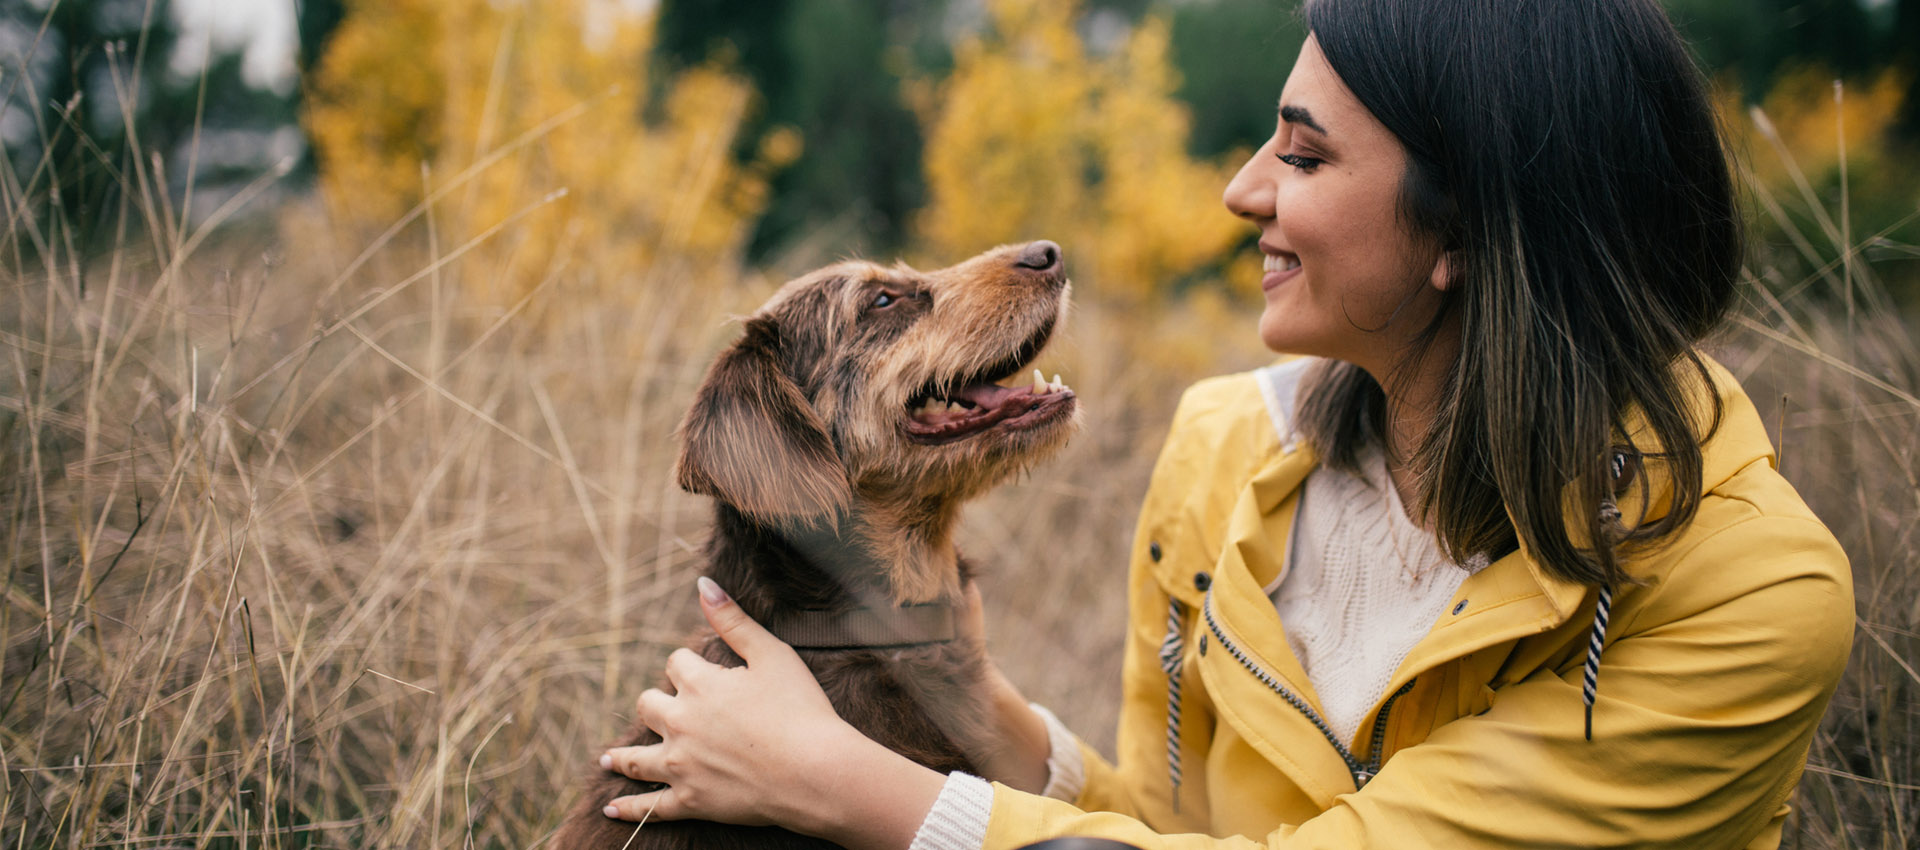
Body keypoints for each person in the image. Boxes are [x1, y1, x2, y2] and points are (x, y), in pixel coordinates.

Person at [590, 0, 1856, 847]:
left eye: (1302, 158)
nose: (1240, 187)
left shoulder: (1750, 598)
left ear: (1473, 226)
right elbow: (1174, 824)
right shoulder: (1222, 452)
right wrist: (984, 714)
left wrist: (857, 789)